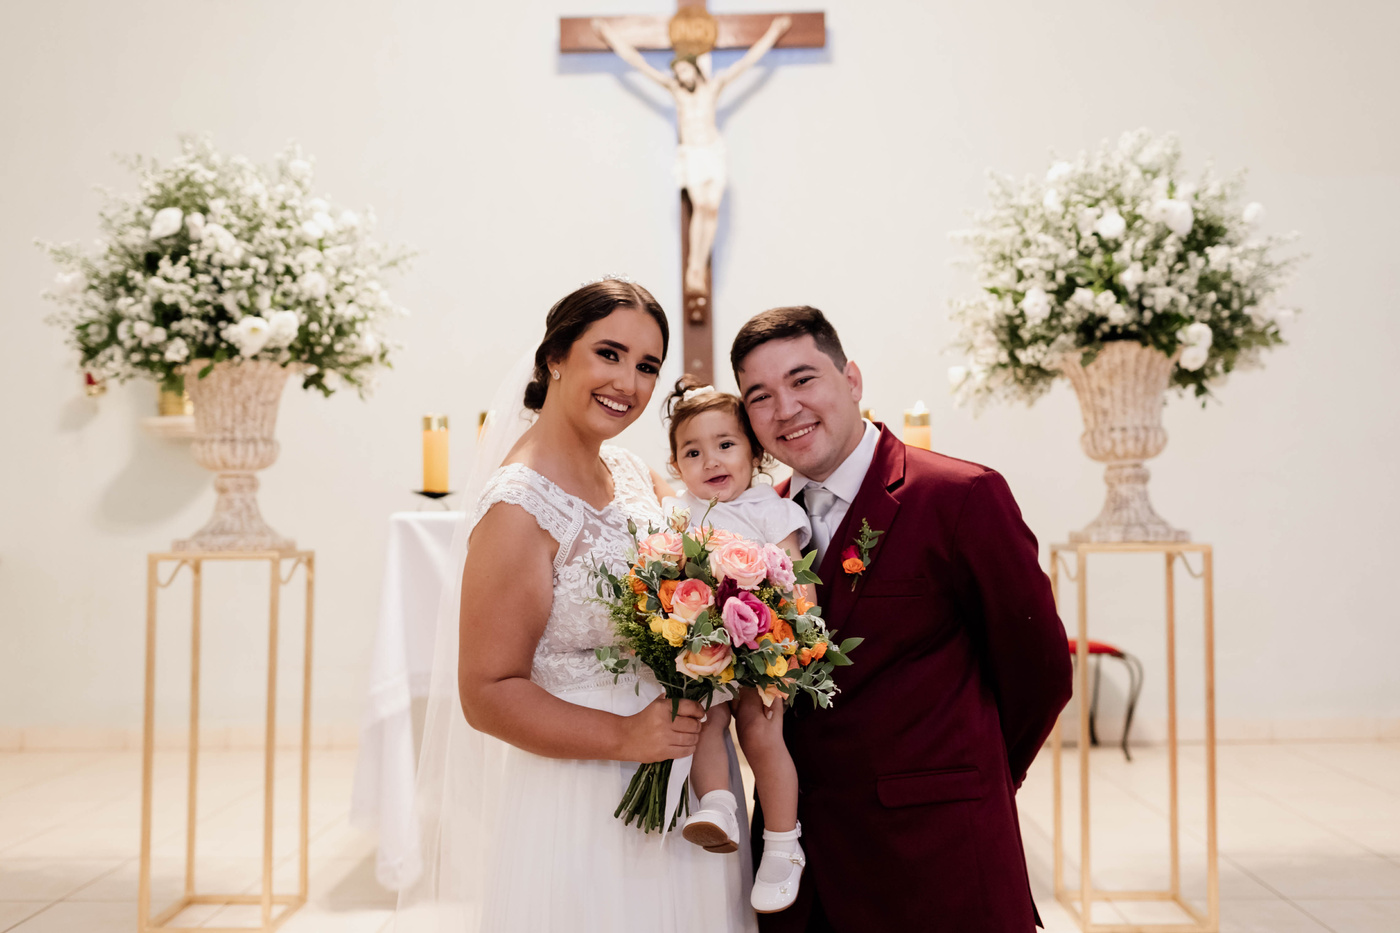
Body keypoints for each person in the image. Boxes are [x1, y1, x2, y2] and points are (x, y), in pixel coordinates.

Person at [397, 278, 755, 933]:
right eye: (609, 354)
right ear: (555, 357)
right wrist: (627, 736)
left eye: (647, 365)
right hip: (587, 793)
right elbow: (486, 693)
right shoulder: (518, 507)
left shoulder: (631, 471)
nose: (628, 382)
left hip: (686, 774)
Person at [730, 305, 1074, 932]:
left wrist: (967, 782)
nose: (786, 409)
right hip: (804, 874)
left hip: (936, 854)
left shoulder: (960, 496)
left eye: (803, 379)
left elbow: (1041, 672)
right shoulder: (750, 527)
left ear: (851, 379)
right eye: (760, 396)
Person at [657, 376, 813, 914]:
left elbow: (797, 581)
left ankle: (783, 845)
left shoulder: (769, 508)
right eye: (692, 452)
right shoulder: (678, 512)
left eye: (725, 444)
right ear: (676, 465)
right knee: (701, 720)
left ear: (754, 452)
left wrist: (795, 645)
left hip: (766, 644)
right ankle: (719, 805)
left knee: (760, 732)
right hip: (704, 643)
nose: (711, 460)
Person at [592, 16, 792, 300]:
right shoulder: (676, 92)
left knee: (712, 209)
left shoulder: (714, 87)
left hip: (712, 151)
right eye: (679, 72)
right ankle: (694, 267)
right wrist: (609, 35)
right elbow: (638, 63)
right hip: (693, 154)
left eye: (685, 70)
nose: (682, 76)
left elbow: (747, 62)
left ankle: (699, 263)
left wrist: (773, 31)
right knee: (700, 206)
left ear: (695, 68)